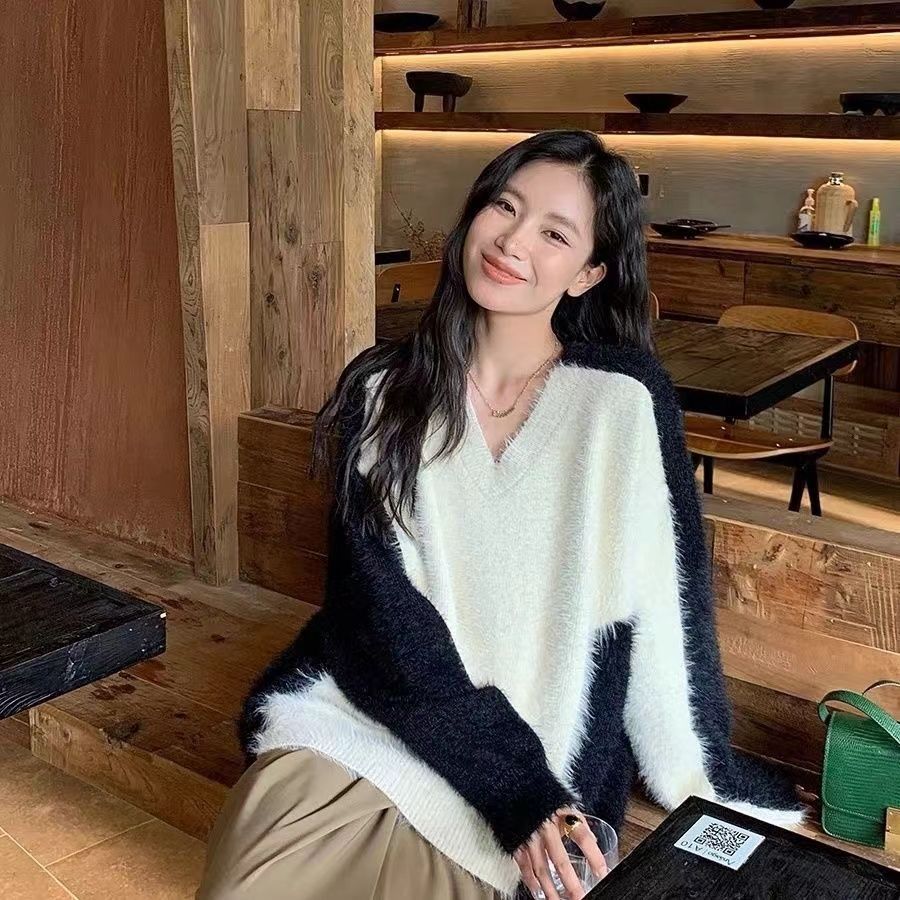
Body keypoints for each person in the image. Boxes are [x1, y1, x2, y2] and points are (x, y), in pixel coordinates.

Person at [196, 130, 806, 900]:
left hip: (539, 745)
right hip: (361, 717)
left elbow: (662, 599)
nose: (514, 241)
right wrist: (508, 780)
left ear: (588, 273)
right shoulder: (387, 392)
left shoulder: (618, 404)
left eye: (555, 233)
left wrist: (686, 762)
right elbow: (373, 610)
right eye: (505, 207)